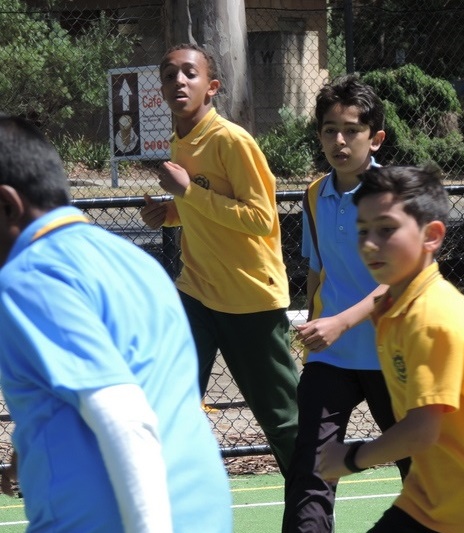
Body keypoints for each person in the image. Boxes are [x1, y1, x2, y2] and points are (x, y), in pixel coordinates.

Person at [0, 114, 232, 532]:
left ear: (7, 205)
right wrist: (29, 450)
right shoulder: (135, 263)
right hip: (203, 513)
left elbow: (123, 417)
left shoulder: (28, 277)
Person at [318, 164, 464, 533]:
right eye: (363, 230)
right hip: (430, 501)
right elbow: (447, 390)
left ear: (432, 236)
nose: (369, 243)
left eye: (386, 229)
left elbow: (420, 431)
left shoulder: (431, 316)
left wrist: (349, 457)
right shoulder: (396, 307)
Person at [139, 43, 299, 475]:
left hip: (250, 301)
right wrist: (170, 213)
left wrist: (189, 192)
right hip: (196, 294)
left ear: (211, 87)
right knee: (171, 407)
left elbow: (260, 218)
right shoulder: (179, 140)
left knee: (285, 424)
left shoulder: (231, 139)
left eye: (189, 74)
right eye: (169, 74)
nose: (178, 81)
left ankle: (312, 505)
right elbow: (203, 208)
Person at [282, 75, 410, 532]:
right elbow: (319, 273)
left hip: (391, 352)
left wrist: (341, 321)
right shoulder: (314, 195)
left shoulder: (393, 195)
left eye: (352, 130)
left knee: (423, 472)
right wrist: (319, 331)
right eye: (329, 129)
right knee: (310, 471)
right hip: (330, 358)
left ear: (374, 137)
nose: (340, 140)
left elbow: (402, 281)